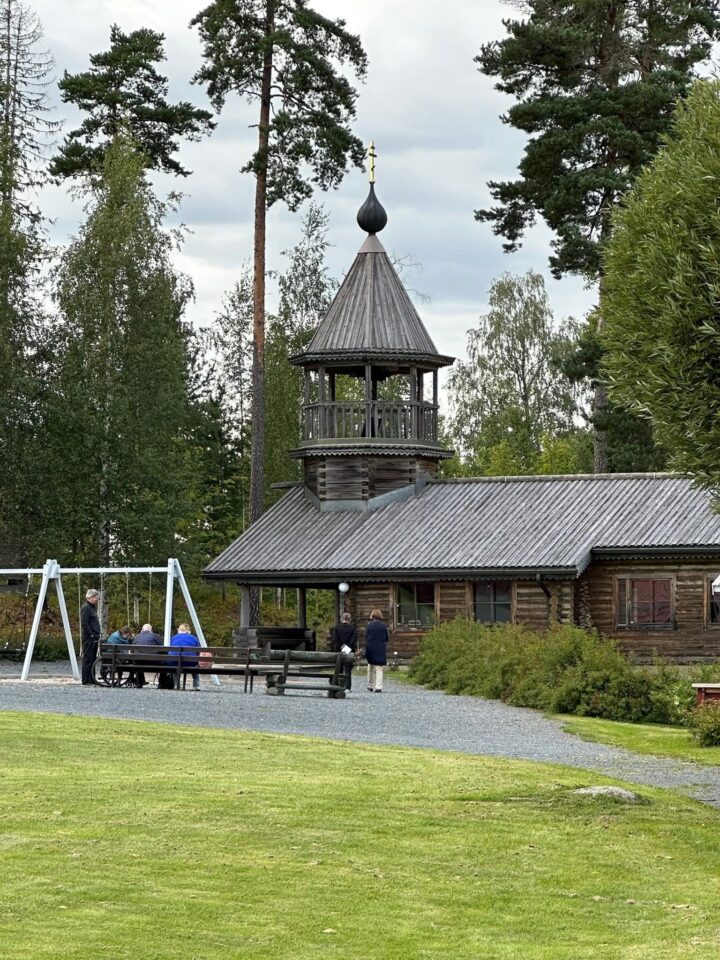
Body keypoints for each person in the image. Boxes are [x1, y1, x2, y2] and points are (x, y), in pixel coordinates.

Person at [168, 623, 201, 690]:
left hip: (175, 661)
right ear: (188, 631)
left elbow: (170, 650)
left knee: (175, 665)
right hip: (190, 662)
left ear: (179, 630)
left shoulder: (173, 638)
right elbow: (198, 651)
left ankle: (176, 684)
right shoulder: (194, 638)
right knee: (195, 664)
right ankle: (196, 685)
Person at [330, 611, 357, 691]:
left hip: (338, 651)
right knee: (348, 670)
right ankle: (347, 687)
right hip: (349, 651)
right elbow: (353, 640)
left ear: (342, 619)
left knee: (339, 669)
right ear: (350, 619)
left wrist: (342, 647)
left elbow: (335, 640)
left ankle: (338, 686)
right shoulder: (352, 628)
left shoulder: (337, 627)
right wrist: (347, 649)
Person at [131, 623, 163, 688]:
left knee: (137, 659)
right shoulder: (155, 636)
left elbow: (132, 649)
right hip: (153, 662)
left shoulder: (137, 636)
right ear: (151, 630)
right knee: (164, 662)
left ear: (142, 629)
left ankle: (140, 682)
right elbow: (163, 648)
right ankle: (162, 683)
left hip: (139, 663)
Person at [364, 608, 388, 693]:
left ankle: (370, 685)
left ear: (372, 615)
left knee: (370, 667)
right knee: (379, 668)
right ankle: (378, 687)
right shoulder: (383, 625)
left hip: (370, 648)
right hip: (380, 648)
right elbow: (386, 638)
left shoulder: (369, 625)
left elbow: (366, 637)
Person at [80, 588, 101, 685]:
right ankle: (85, 680)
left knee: (93, 659)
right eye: (97, 598)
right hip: (89, 638)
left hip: (94, 637)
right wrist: (91, 634)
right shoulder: (86, 608)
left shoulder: (92, 607)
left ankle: (92, 678)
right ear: (91, 597)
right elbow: (84, 623)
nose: (97, 600)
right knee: (87, 659)